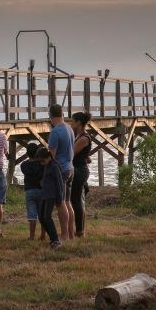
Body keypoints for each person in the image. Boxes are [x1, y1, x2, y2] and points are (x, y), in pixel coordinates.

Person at [47, 104, 74, 241]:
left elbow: (52, 155)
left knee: (60, 203)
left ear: (51, 116)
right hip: (70, 167)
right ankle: (70, 234)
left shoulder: (55, 132)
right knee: (68, 202)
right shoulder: (69, 128)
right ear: (62, 114)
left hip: (61, 170)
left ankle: (64, 235)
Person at [36, 147, 64, 250]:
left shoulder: (54, 166)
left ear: (48, 157)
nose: (41, 163)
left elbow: (59, 183)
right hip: (44, 194)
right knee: (41, 217)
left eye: (42, 160)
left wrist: (60, 198)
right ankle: (52, 238)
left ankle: (55, 240)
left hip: (51, 195)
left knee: (47, 217)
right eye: (39, 161)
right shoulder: (47, 165)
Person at [70, 111, 93, 238]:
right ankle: (79, 229)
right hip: (79, 168)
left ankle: (79, 231)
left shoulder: (83, 137)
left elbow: (71, 153)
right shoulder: (79, 136)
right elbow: (86, 156)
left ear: (78, 122)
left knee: (76, 200)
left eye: (72, 121)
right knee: (76, 199)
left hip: (79, 171)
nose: (71, 123)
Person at [19, 143, 43, 240]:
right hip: (42, 191)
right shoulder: (41, 164)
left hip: (29, 191)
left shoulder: (24, 165)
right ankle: (43, 235)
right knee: (42, 215)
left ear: (27, 153)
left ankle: (32, 236)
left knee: (32, 215)